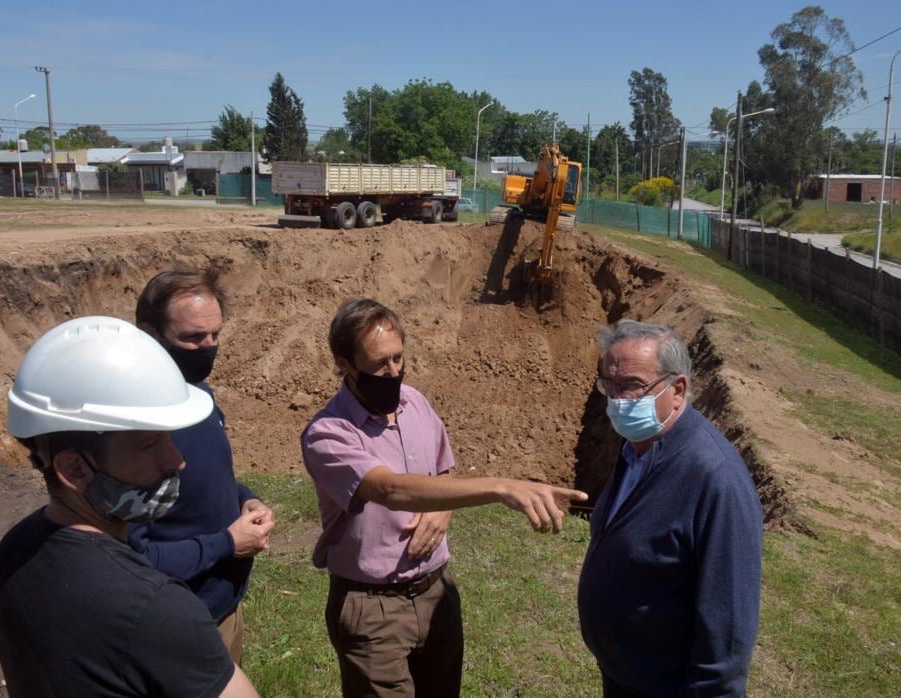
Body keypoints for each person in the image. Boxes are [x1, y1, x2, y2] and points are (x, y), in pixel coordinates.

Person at [301, 298, 588, 698]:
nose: (394, 372)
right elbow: (391, 489)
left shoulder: (415, 403)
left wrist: (444, 508)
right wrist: (502, 486)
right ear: (344, 364)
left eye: (399, 358)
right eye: (380, 363)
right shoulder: (328, 435)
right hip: (373, 608)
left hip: (437, 593)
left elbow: (442, 471)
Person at [0, 315, 257, 697]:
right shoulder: (153, 606)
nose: (176, 459)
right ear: (75, 469)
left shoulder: (16, 548)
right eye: (149, 445)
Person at [578, 319, 763, 697]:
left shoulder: (716, 481)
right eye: (608, 386)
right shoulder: (637, 447)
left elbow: (726, 634)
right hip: (625, 675)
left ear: (677, 389)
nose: (617, 401)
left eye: (631, 386)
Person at [129, 269, 275, 664]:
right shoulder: (133, 429)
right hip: (175, 622)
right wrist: (227, 544)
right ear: (149, 334)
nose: (209, 347)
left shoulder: (199, 396)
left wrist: (246, 499)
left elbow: (208, 476)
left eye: (215, 335)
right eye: (193, 338)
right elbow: (135, 557)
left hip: (222, 605)